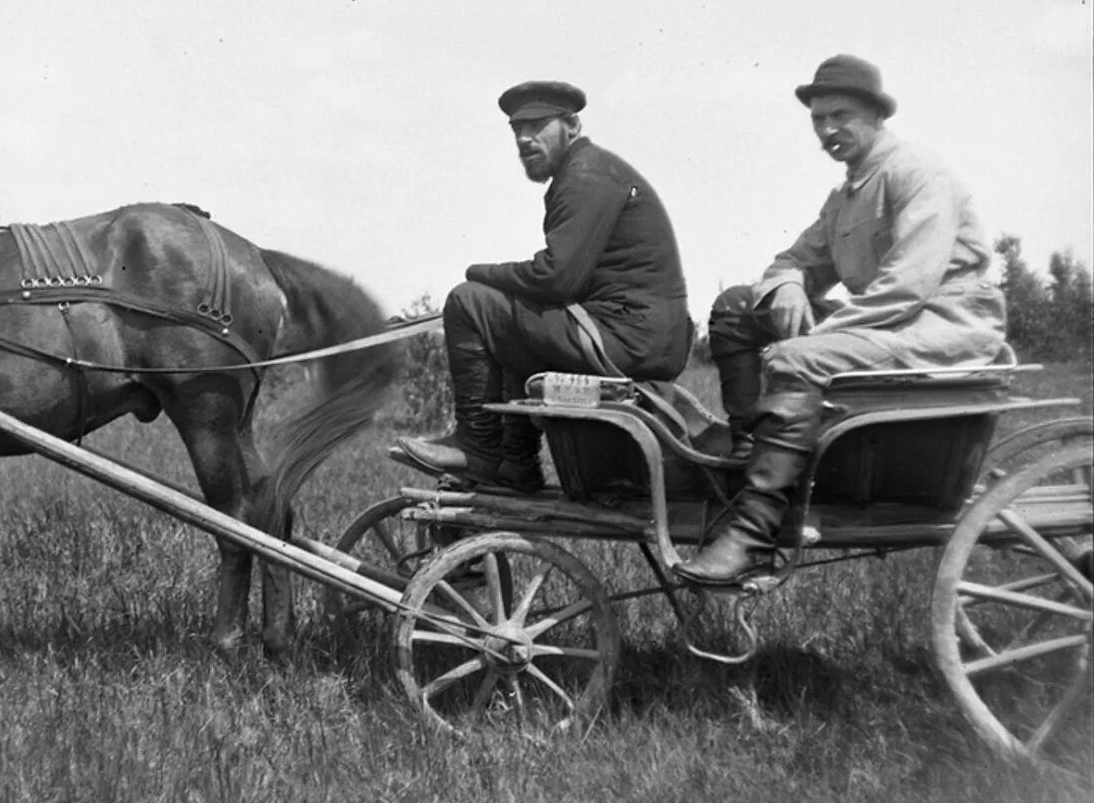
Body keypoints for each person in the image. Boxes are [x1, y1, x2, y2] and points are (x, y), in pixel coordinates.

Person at [677, 54, 1006, 586]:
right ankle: (749, 466)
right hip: (887, 324)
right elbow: (793, 261)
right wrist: (787, 285)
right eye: (818, 119)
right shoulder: (846, 194)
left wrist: (819, 337)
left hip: (943, 325)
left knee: (793, 356)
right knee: (737, 310)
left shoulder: (915, 173)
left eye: (841, 116)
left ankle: (753, 533)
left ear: (877, 116)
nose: (828, 130)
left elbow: (907, 287)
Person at [397, 79, 692, 491]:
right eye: (517, 129)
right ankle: (517, 464)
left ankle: (478, 446)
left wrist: (479, 272)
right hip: (640, 336)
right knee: (514, 318)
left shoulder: (586, 175)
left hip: (628, 337)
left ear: (571, 125)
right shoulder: (587, 171)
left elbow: (556, 277)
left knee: (469, 303)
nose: (524, 138)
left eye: (537, 125)